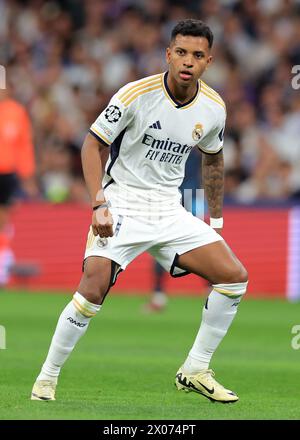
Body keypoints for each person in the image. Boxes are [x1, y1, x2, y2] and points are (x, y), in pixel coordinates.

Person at [31, 19, 248, 404]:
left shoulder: (214, 108)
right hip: (123, 202)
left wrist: (215, 220)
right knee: (93, 289)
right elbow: (92, 145)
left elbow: (213, 159)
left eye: (197, 55)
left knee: (234, 277)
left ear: (208, 61)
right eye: (181, 52)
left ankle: (195, 369)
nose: (187, 61)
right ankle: (46, 379)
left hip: (169, 209)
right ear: (168, 54)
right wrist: (98, 202)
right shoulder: (135, 94)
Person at [0, 86, 36, 286]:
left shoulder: (15, 112)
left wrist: (27, 175)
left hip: (6, 173)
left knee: (3, 218)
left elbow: (24, 144)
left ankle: (3, 262)